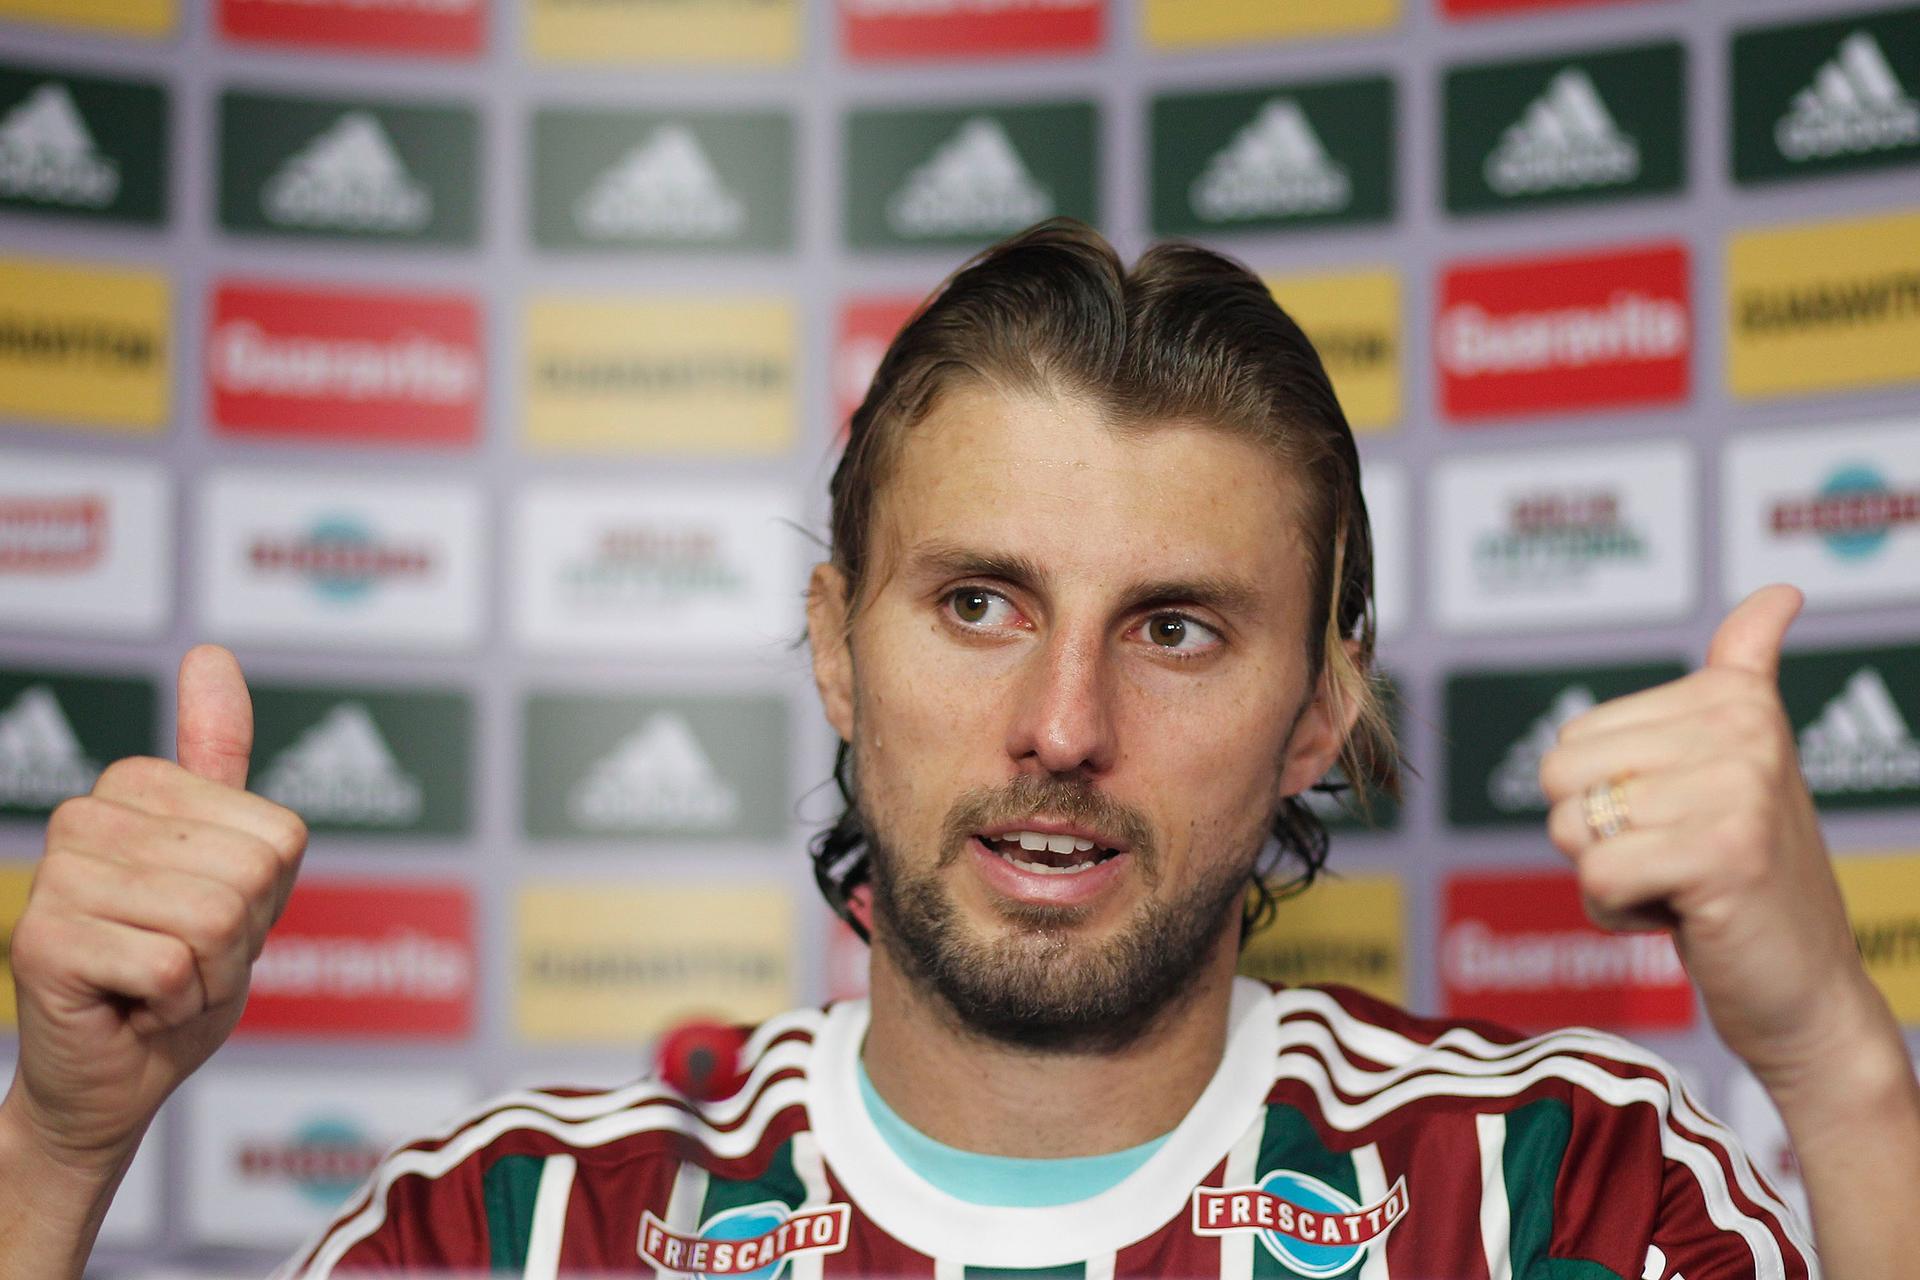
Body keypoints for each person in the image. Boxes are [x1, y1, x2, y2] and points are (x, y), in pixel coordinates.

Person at [3, 220, 1916, 1279]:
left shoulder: (1558, 1195)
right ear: (837, 644)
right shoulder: (508, 1235)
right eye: (978, 603)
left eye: (1176, 631)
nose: (1062, 731)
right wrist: (55, 1149)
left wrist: (1834, 1063)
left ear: (1323, 711)